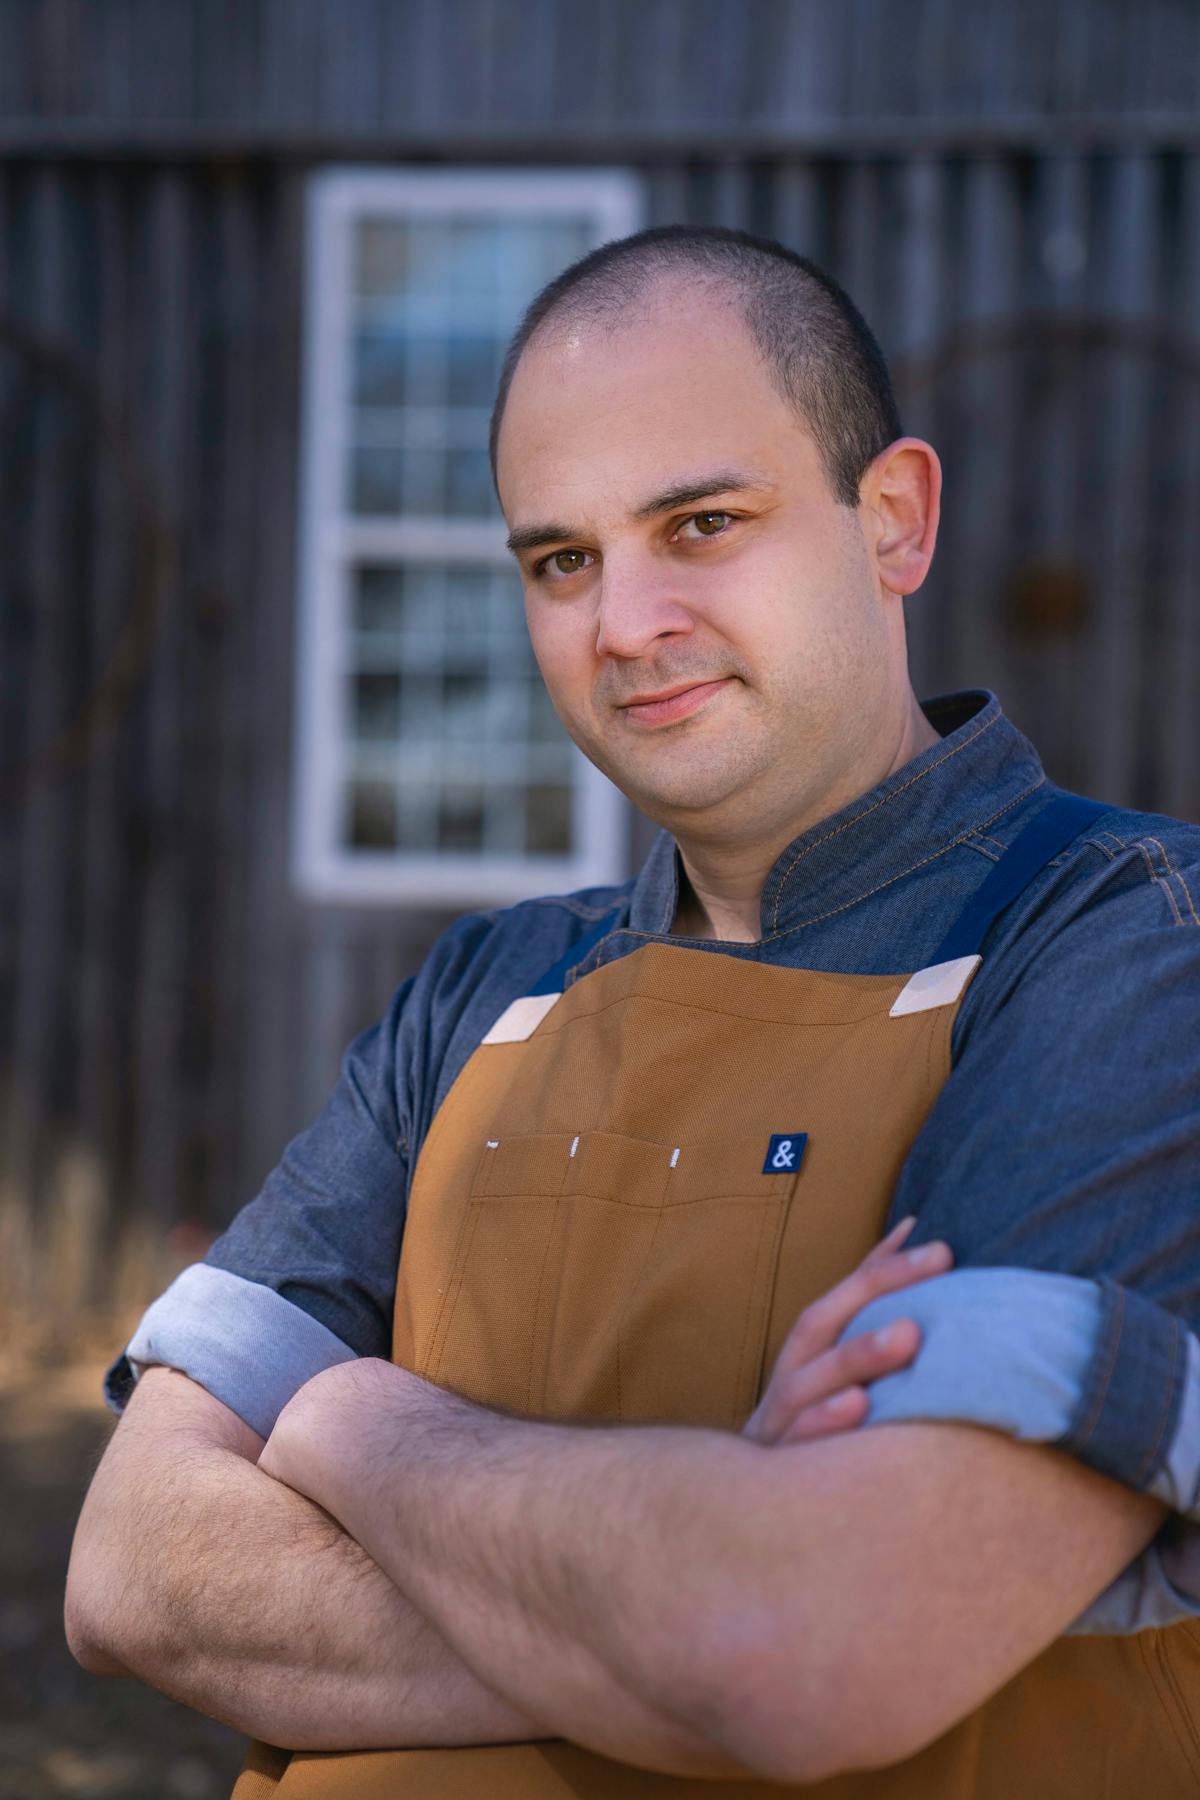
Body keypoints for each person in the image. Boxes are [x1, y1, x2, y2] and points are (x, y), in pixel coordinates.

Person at [66, 227, 1200, 1797]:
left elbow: (816, 1644)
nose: (623, 624)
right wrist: (693, 1565)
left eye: (703, 523)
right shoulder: (483, 993)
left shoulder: (1120, 942)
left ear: (896, 520)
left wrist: (352, 1424)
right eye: (561, 561)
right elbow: (130, 1570)